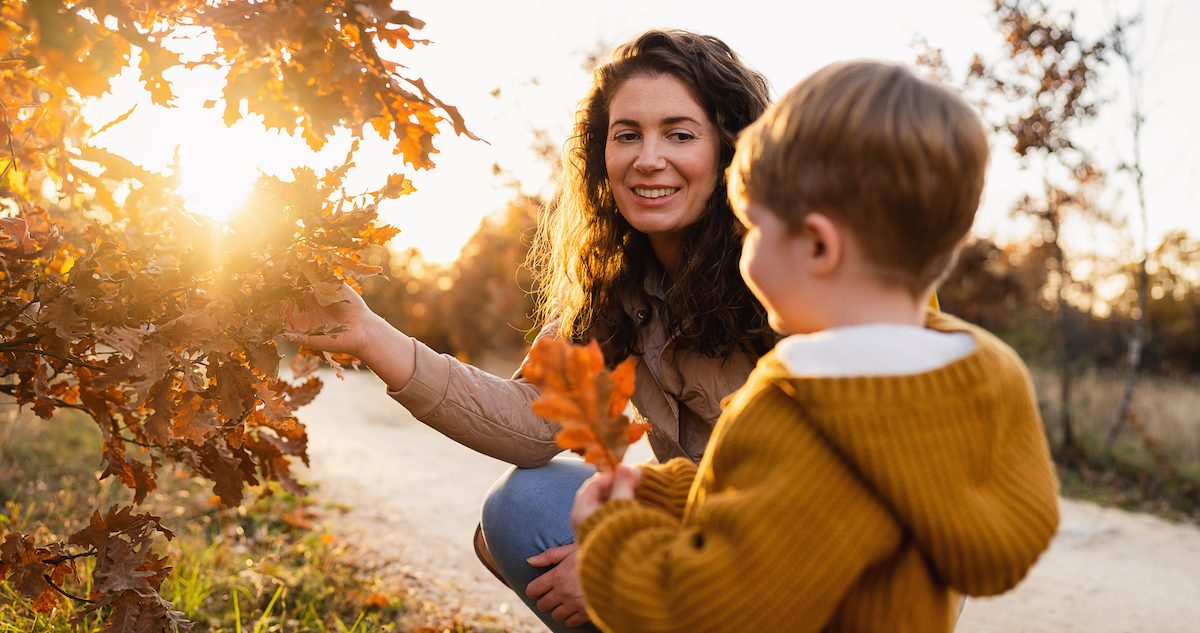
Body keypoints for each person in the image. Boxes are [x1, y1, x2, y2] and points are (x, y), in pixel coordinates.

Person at [286, 29, 775, 631]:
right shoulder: (620, 289)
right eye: (627, 136)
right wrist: (370, 335)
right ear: (602, 156)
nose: (649, 159)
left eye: (679, 134)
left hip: (814, 561)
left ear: (730, 148)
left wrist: (637, 566)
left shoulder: (786, 273)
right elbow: (532, 424)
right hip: (716, 537)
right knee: (519, 511)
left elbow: (815, 488)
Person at [569, 60, 1062, 633]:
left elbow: (701, 609)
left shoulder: (802, 408)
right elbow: (768, 484)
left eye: (753, 229)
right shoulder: (983, 369)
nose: (742, 249)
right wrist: (656, 490)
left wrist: (615, 530)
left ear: (819, 248)